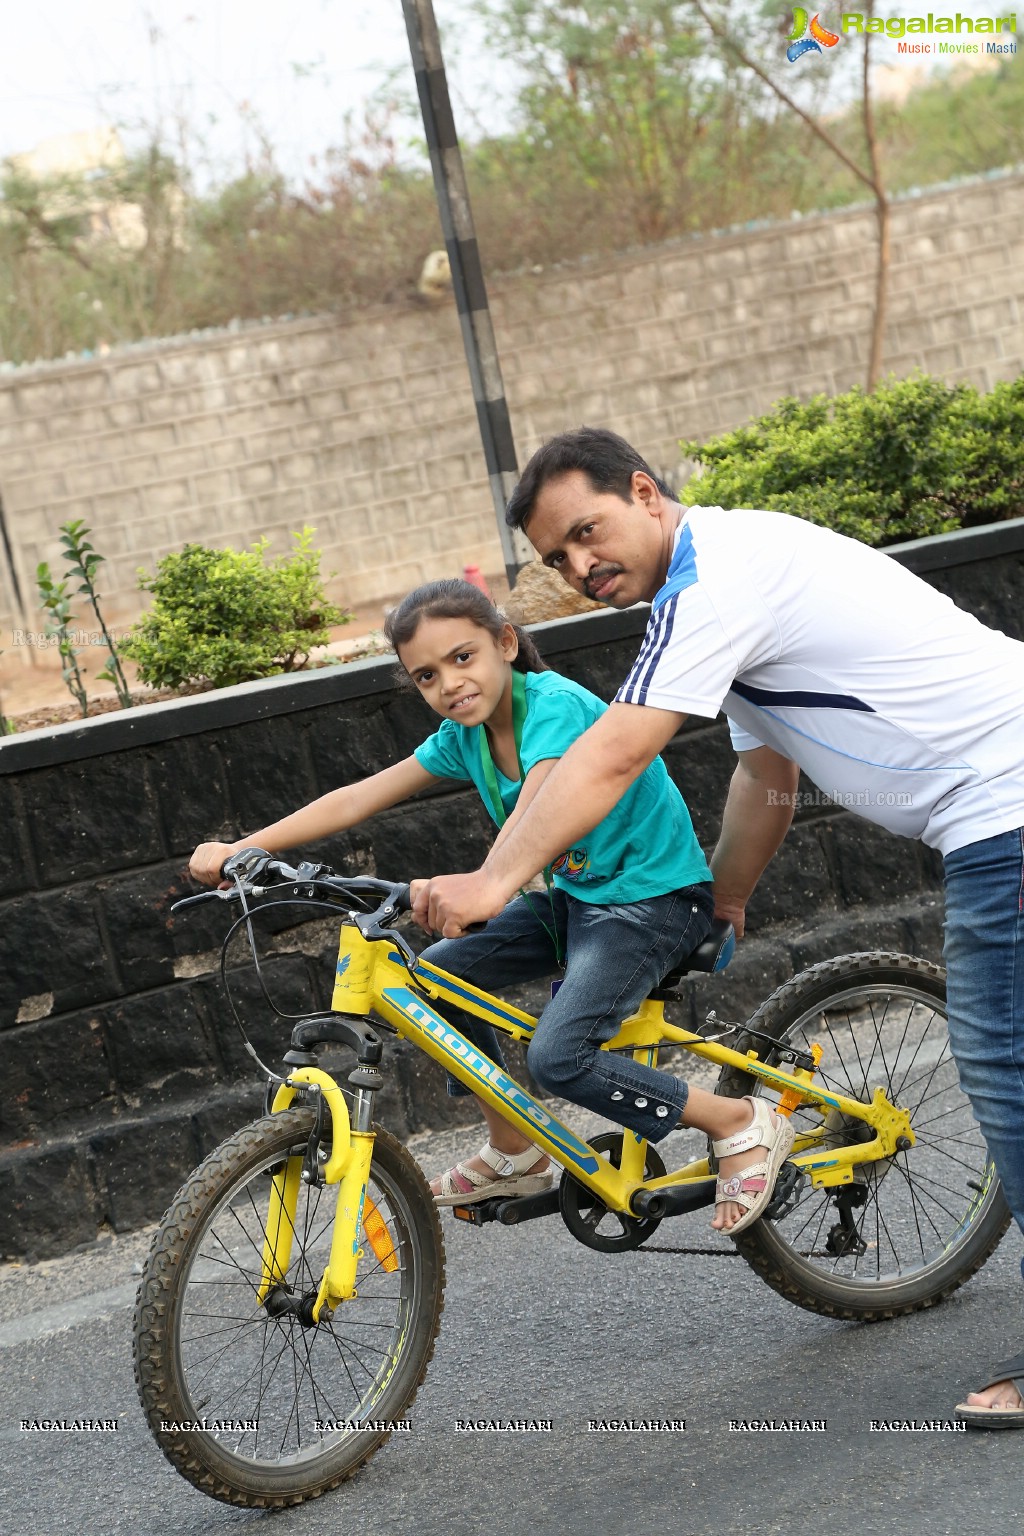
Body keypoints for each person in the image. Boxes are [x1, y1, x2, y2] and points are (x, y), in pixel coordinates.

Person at [413, 426, 1024, 1429]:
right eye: (557, 557)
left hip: (1003, 802)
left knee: (1001, 1059)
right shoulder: (712, 596)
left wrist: (493, 881)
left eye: (587, 531)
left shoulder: (719, 579)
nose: (577, 566)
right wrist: (730, 898)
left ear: (644, 494)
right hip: (992, 804)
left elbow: (608, 755)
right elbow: (765, 774)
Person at [188, 577, 796, 1231]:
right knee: (437, 977)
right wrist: (244, 848)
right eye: (426, 676)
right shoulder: (464, 738)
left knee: (560, 1058)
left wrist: (485, 883)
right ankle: (514, 1149)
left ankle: (738, 1120)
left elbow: (538, 803)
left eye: (462, 658)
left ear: (505, 643)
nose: (448, 684)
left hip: (651, 901)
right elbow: (358, 797)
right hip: (577, 900)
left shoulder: (554, 706)